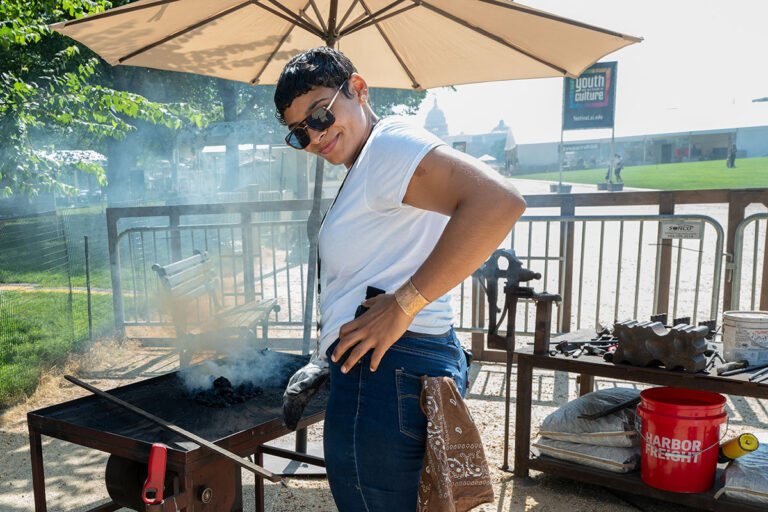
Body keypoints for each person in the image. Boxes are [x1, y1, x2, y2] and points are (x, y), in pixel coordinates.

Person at [274, 47, 526, 511]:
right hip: (401, 366)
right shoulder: (370, 159)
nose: (314, 136)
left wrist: (403, 304)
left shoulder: (387, 146)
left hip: (385, 375)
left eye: (320, 115)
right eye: (299, 132)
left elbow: (500, 202)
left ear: (359, 89)